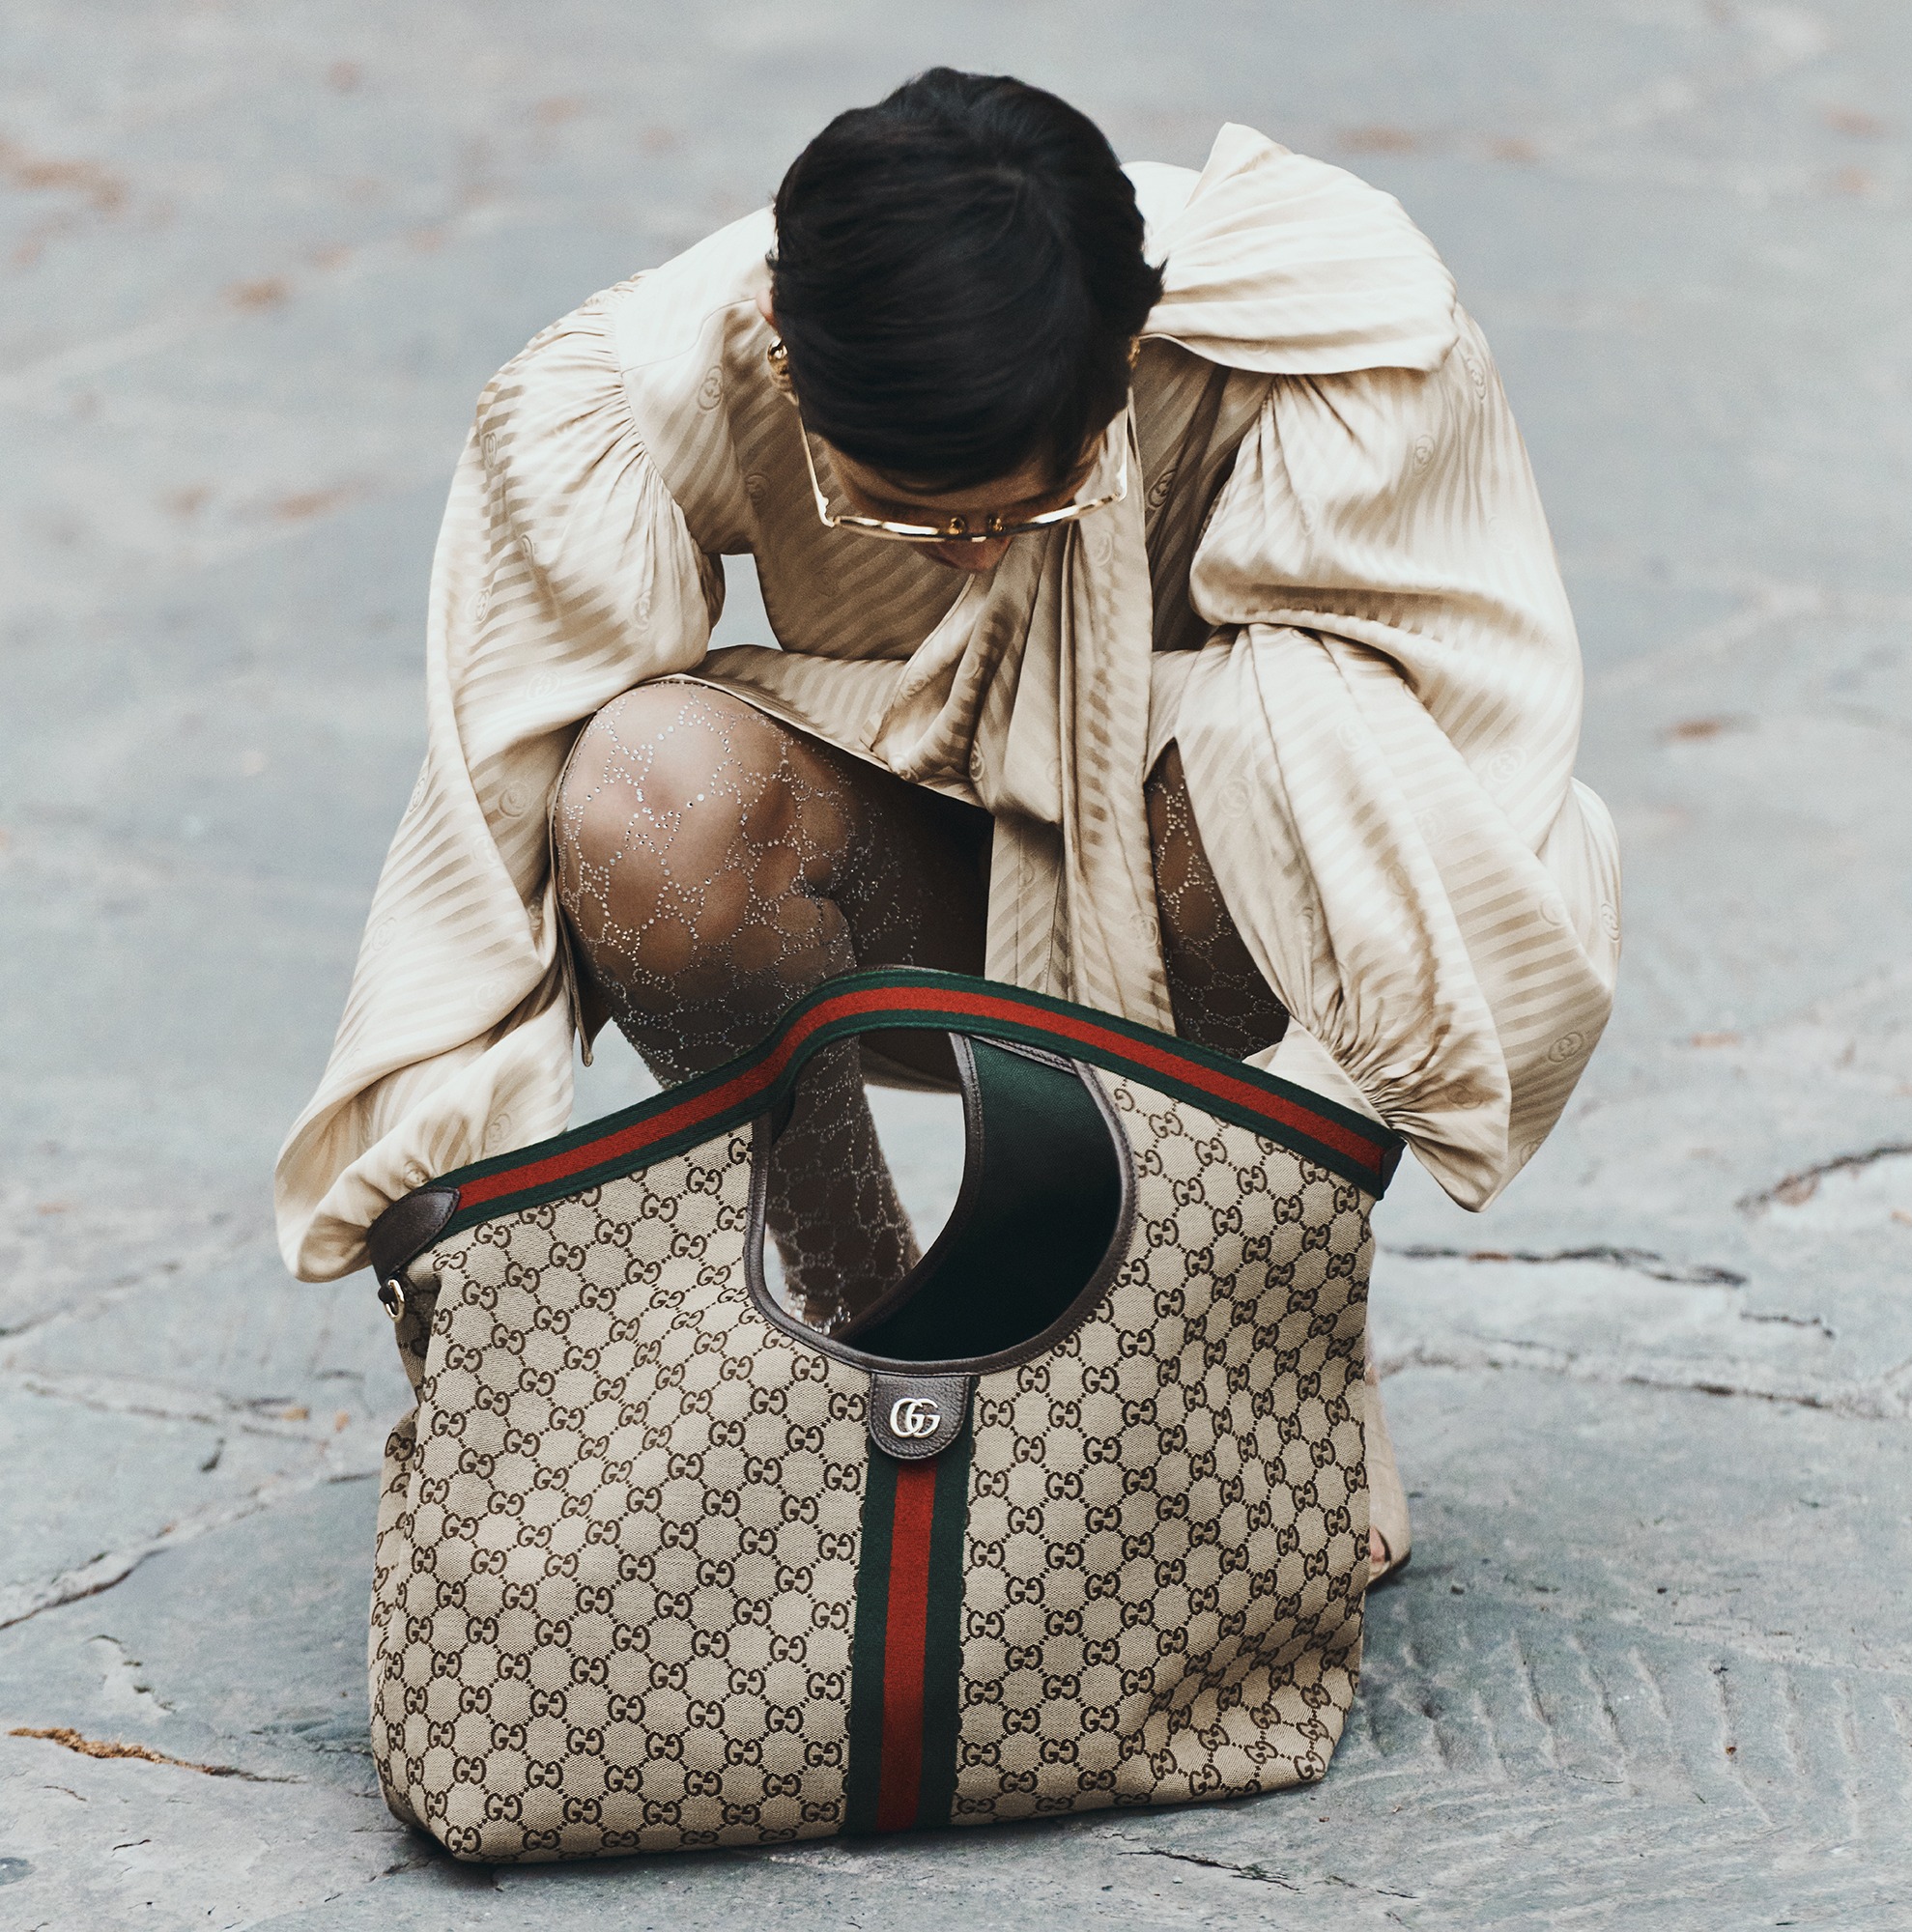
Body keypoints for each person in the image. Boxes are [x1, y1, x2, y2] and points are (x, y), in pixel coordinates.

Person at [275, 70, 1621, 1583]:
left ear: (1124, 356)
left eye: (1019, 512)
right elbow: (485, 838)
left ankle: (1266, 1348)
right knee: (643, 785)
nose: (975, 557)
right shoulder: (636, 393)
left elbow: (1465, 797)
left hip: (1200, 885)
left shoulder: (1324, 334)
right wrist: (456, 1246)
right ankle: (865, 1331)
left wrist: (1275, 1261)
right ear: (783, 348)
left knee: (1304, 725)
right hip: (893, 893)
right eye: (905, 513)